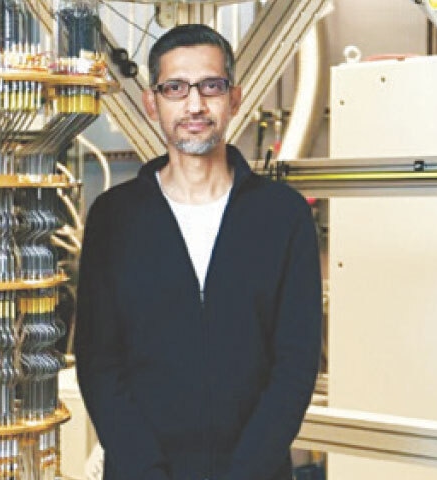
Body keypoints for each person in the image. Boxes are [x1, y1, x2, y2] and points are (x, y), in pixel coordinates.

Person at [74, 23, 322, 480]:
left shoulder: (282, 216)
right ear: (152, 103)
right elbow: (99, 363)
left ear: (235, 98)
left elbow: (296, 364)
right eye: (175, 88)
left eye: (211, 86)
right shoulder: (114, 218)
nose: (194, 104)